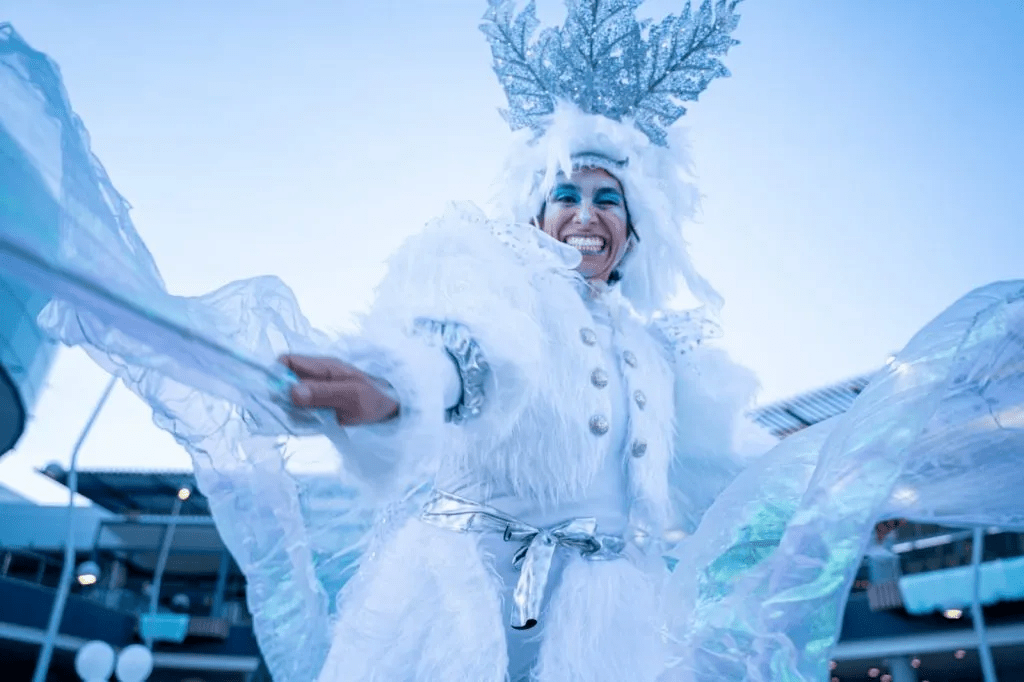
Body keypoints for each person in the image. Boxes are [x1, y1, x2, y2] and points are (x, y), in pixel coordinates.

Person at [2, 3, 1023, 682]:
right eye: (567, 193)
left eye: (609, 199)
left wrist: (882, 438)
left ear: (638, 226)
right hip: (456, 604)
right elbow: (462, 355)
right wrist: (387, 389)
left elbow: (729, 482)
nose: (586, 212)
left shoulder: (662, 362)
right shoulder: (486, 267)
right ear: (536, 210)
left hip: (611, 627)